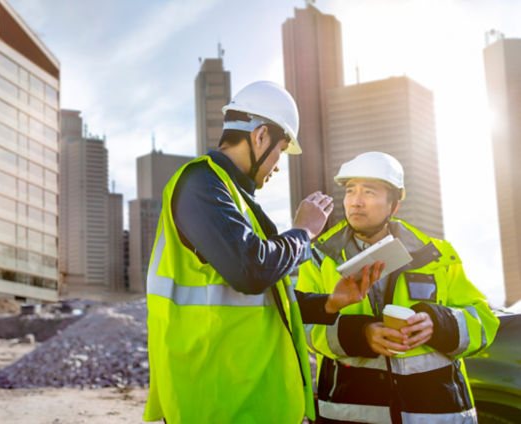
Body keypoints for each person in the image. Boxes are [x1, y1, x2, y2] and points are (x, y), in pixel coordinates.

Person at [143, 81, 384, 424]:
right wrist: (304, 232)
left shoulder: (238, 201)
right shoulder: (200, 184)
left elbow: (265, 299)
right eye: (281, 150)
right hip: (215, 402)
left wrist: (328, 303)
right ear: (259, 137)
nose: (277, 165)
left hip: (249, 400)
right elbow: (251, 271)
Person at [297, 151, 500, 424]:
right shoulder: (319, 259)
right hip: (351, 414)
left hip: (438, 415)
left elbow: (484, 321)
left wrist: (438, 324)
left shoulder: (437, 255)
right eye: (350, 191)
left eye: (369, 192)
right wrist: (360, 334)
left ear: (393, 206)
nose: (355, 202)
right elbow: (304, 328)